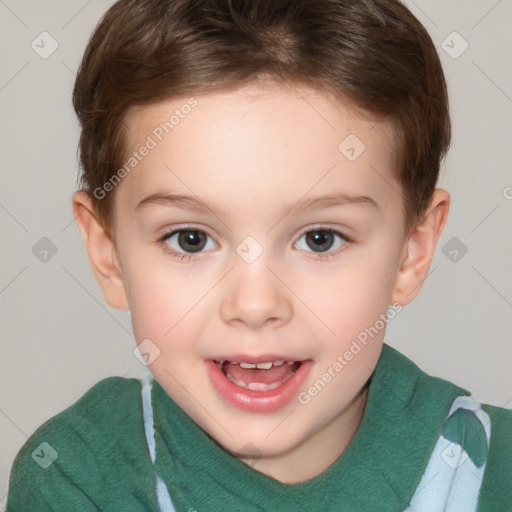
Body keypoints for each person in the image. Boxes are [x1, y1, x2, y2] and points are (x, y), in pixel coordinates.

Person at [6, 0, 511, 510]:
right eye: (190, 239)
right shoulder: (75, 478)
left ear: (412, 251)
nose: (254, 304)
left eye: (320, 239)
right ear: (107, 252)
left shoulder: (493, 472)